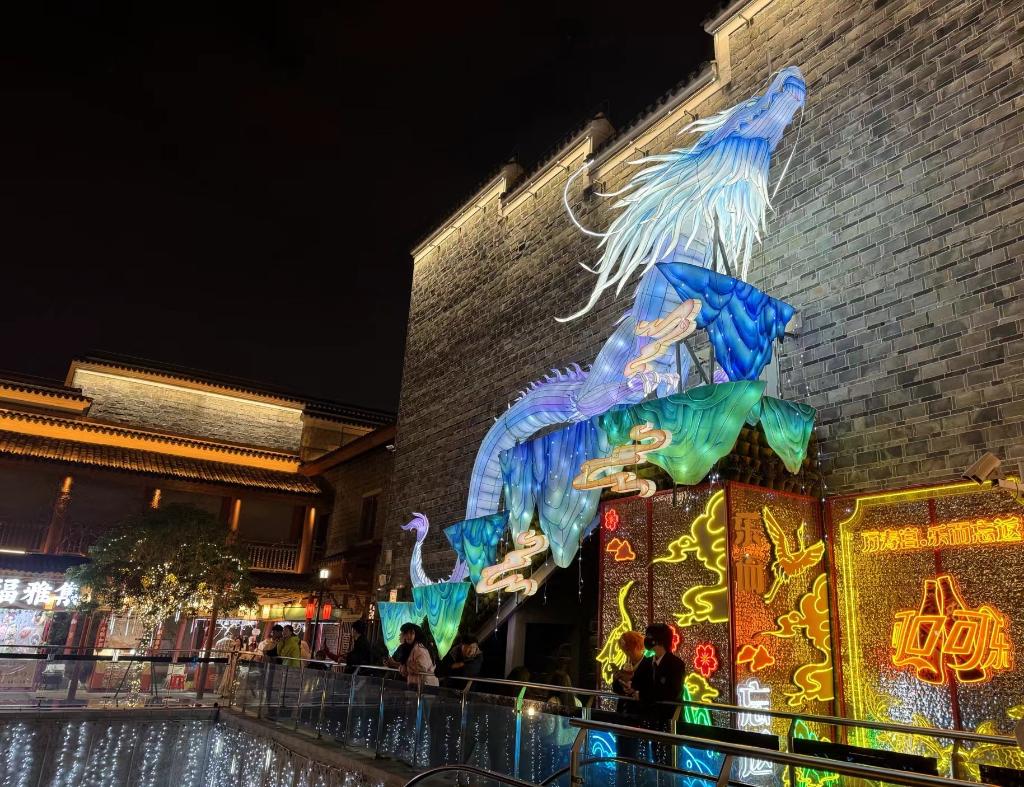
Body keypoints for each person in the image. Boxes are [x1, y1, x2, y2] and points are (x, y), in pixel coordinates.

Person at [623, 623, 685, 766]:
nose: (646, 639)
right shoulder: (648, 663)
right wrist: (629, 687)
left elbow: (671, 692)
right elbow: (638, 683)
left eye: (649, 636)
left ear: (659, 640)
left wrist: (642, 695)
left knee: (668, 763)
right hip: (649, 722)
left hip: (668, 724)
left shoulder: (676, 665)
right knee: (652, 762)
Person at [393, 623, 438, 687]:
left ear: (417, 635)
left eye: (411, 633)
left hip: (426, 686)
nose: (408, 636)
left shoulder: (420, 648)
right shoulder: (410, 648)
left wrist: (404, 666)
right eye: (406, 633)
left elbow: (421, 667)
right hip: (418, 685)